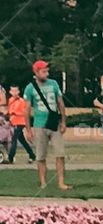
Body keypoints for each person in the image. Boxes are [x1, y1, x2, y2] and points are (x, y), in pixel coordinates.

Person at [24, 59, 70, 191]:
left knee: (60, 154)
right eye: (44, 71)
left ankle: (61, 182)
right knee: (40, 155)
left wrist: (63, 121)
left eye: (47, 71)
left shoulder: (54, 84)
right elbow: (26, 109)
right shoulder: (30, 87)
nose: (46, 73)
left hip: (54, 123)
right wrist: (28, 129)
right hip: (39, 124)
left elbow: (60, 103)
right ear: (36, 72)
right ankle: (43, 182)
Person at [6, 85, 34, 164]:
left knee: (14, 139)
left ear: (18, 92)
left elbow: (24, 112)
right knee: (22, 140)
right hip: (14, 122)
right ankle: (32, 155)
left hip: (20, 122)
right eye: (12, 91)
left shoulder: (21, 101)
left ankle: (10, 157)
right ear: (10, 92)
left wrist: (14, 113)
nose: (14, 93)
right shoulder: (10, 100)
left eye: (16, 91)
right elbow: (9, 110)